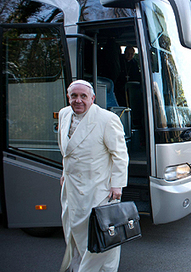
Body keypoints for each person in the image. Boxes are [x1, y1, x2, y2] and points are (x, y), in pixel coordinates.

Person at [58, 80, 129, 272]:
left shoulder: (107, 119)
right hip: (71, 188)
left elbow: (120, 155)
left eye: (83, 96)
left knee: (99, 235)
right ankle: (80, 265)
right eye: (74, 96)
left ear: (93, 98)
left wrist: (117, 185)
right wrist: (65, 173)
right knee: (74, 231)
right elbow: (65, 150)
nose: (78, 100)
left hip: (99, 190)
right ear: (68, 97)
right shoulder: (64, 114)